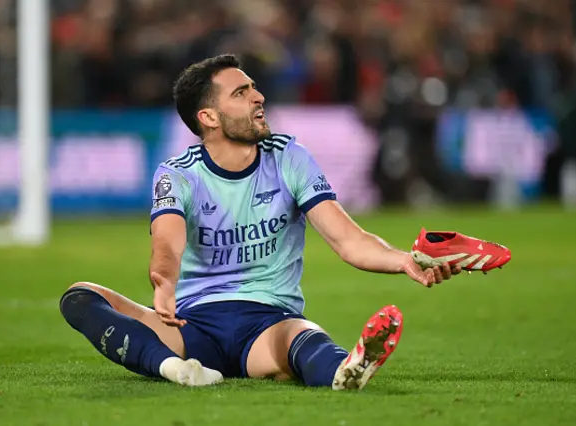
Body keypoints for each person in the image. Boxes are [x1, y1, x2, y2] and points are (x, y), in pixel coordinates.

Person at [59, 54, 461, 390]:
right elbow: (167, 242)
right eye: (241, 92)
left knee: (300, 335)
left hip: (268, 322)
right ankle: (176, 369)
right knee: (79, 297)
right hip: (191, 325)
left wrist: (404, 260)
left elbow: (347, 239)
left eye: (253, 88)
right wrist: (163, 284)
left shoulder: (288, 156)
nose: (258, 97)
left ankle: (345, 370)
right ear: (209, 117)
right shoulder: (177, 173)